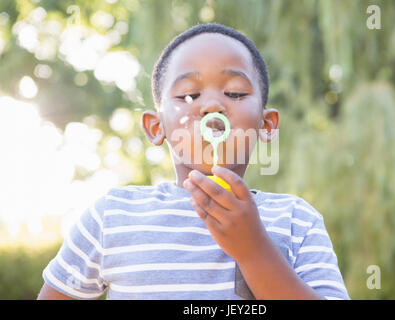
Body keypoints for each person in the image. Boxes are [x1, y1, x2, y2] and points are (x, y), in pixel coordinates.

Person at [38, 23, 349, 300]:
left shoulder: (296, 221)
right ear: (156, 127)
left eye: (235, 93)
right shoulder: (111, 216)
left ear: (265, 125)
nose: (212, 105)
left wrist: (254, 251)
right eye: (188, 95)